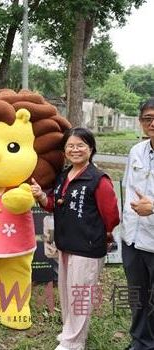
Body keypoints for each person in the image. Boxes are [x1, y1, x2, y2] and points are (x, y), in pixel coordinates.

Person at [31, 127, 119, 350]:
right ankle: (69, 333)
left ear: (91, 149)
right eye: (70, 145)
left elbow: (112, 216)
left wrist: (99, 235)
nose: (75, 149)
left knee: (80, 295)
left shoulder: (99, 179)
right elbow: (53, 204)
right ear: (65, 150)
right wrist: (41, 194)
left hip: (87, 247)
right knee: (68, 292)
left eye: (81, 145)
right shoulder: (64, 175)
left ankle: (75, 342)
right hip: (66, 244)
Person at [121, 97, 154, 350]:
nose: (152, 123)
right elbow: (127, 189)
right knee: (138, 297)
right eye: (147, 118)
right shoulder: (137, 151)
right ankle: (140, 343)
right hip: (132, 239)